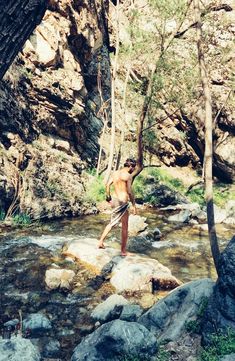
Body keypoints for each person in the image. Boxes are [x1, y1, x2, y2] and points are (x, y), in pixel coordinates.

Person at [98, 158, 137, 256]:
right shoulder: (128, 176)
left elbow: (107, 185)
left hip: (115, 200)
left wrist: (108, 198)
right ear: (130, 166)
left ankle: (101, 242)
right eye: (133, 167)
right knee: (124, 226)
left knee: (112, 222)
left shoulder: (115, 173)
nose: (134, 170)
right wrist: (134, 205)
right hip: (123, 202)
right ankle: (123, 251)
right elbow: (129, 191)